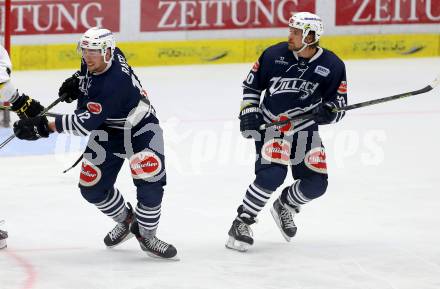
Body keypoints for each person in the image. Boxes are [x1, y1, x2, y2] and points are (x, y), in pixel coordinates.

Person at [13, 27, 178, 260]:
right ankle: (128, 221)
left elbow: (83, 125)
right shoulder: (104, 58)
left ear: (108, 52)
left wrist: (43, 127)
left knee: (150, 186)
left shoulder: (113, 84)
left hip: (141, 131)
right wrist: (79, 81)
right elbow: (89, 84)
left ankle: (147, 236)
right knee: (92, 188)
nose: (88, 56)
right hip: (108, 131)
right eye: (85, 50)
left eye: (95, 51)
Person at [225, 12, 348, 252]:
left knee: (316, 185)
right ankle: (241, 222)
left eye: (296, 32)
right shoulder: (273, 55)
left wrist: (330, 112)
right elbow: (251, 86)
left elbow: (340, 105)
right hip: (272, 126)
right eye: (290, 30)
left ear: (311, 36)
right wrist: (249, 111)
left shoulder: (332, 65)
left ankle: (285, 205)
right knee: (271, 176)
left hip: (305, 129)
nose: (290, 36)